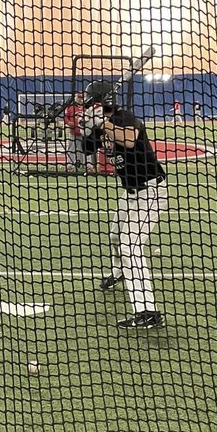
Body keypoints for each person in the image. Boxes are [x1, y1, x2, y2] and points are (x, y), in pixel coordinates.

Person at [82, 79, 168, 329]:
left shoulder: (124, 117)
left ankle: (147, 311)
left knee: (130, 247)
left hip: (150, 191)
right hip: (131, 194)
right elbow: (88, 149)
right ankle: (119, 272)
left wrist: (103, 123)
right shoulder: (103, 125)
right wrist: (87, 129)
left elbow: (129, 140)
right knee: (115, 236)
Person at [62, 91, 89, 173]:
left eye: (81, 98)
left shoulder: (87, 108)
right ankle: (69, 166)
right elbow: (65, 117)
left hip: (85, 133)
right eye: (79, 98)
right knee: (71, 149)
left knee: (86, 149)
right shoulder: (70, 107)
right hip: (73, 132)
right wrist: (69, 123)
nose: (80, 100)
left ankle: (88, 165)